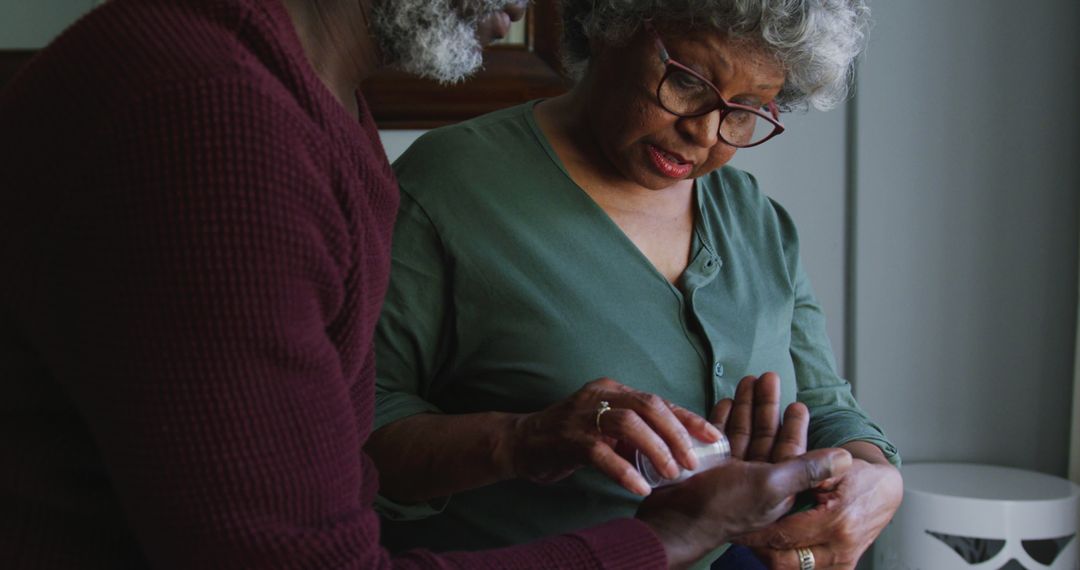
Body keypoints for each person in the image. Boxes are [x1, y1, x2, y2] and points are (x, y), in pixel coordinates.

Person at [0, 0, 852, 568]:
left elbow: (322, 475)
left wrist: (864, 475)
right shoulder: (210, 120)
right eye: (689, 81)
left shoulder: (320, 114)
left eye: (747, 112)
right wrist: (668, 535)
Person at [367, 0, 904, 567]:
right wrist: (520, 437)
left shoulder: (752, 216)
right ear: (609, 28)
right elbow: (363, 424)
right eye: (687, 81)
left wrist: (877, 476)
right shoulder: (450, 185)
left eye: (746, 109)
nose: (703, 132)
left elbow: (822, 402)